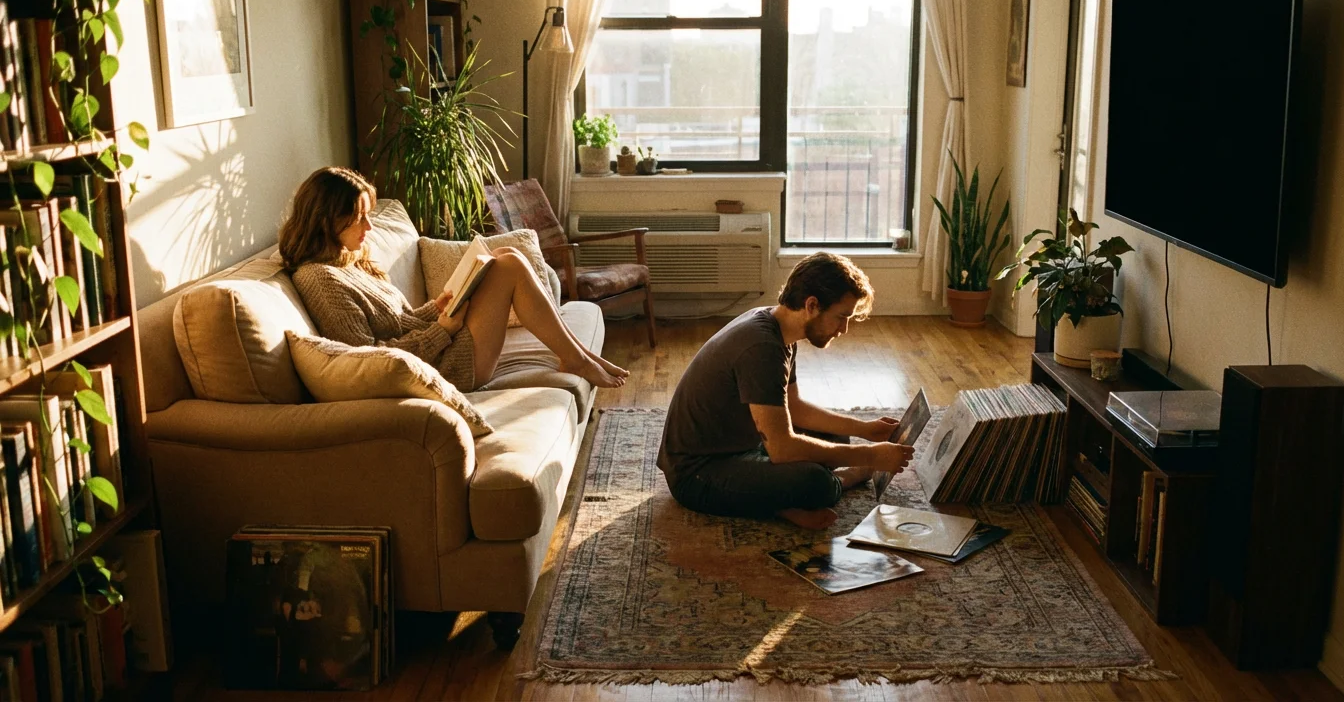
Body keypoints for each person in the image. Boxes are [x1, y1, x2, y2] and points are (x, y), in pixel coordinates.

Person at [280, 166, 627, 392]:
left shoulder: (350, 261)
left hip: (436, 349)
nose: (369, 228)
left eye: (368, 216)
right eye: (359, 219)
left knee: (505, 257)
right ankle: (578, 359)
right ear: (326, 220)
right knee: (509, 267)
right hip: (441, 368)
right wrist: (441, 331)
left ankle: (579, 355)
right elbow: (367, 360)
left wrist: (437, 308)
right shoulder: (320, 280)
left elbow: (400, 322)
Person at [657, 253, 915, 530]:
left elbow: (795, 407)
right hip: (697, 474)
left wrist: (864, 429)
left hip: (741, 445)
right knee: (817, 483)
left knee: (838, 437)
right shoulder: (762, 347)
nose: (844, 329)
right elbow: (782, 449)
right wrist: (870, 457)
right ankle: (835, 483)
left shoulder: (778, 327)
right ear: (812, 305)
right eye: (841, 317)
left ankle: (777, 503)